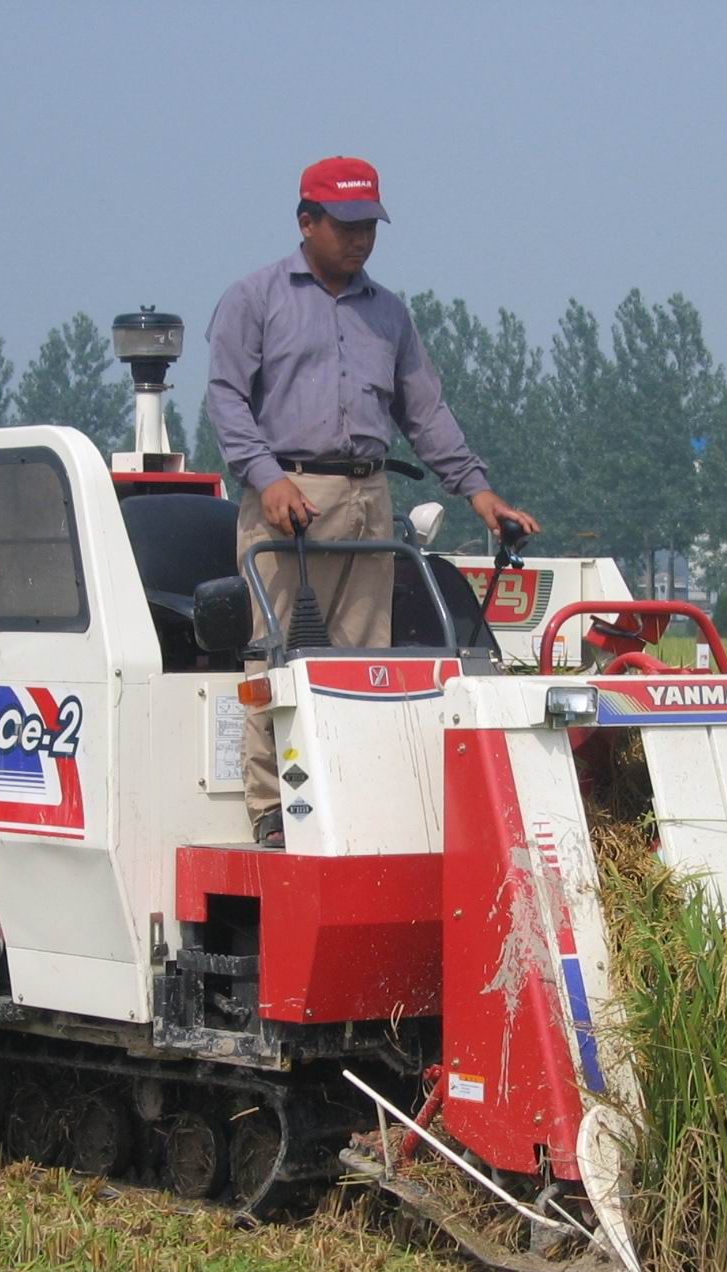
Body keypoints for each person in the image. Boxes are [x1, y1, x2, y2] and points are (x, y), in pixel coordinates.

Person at [206, 155, 540, 846]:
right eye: (346, 224)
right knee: (277, 657)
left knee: (364, 661)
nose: (360, 239)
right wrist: (266, 478)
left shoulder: (389, 314)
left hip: (369, 494)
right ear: (307, 221)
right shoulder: (255, 298)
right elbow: (226, 400)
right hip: (288, 495)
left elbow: (426, 414)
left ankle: (349, 800)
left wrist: (479, 493)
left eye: (370, 226)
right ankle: (273, 812)